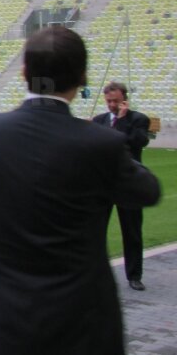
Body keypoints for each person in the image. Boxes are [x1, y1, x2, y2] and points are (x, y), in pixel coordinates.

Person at [0, 26, 160, 355]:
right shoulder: (102, 144)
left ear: (24, 72)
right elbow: (147, 191)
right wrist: (114, 139)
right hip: (79, 320)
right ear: (82, 78)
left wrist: (4, 232)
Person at [92, 81, 152, 291]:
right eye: (109, 101)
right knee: (95, 231)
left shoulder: (138, 119)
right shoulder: (99, 121)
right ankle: (95, 274)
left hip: (128, 184)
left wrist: (122, 120)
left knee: (132, 231)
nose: (112, 105)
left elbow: (136, 142)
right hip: (103, 185)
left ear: (124, 99)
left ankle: (134, 275)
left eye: (116, 101)